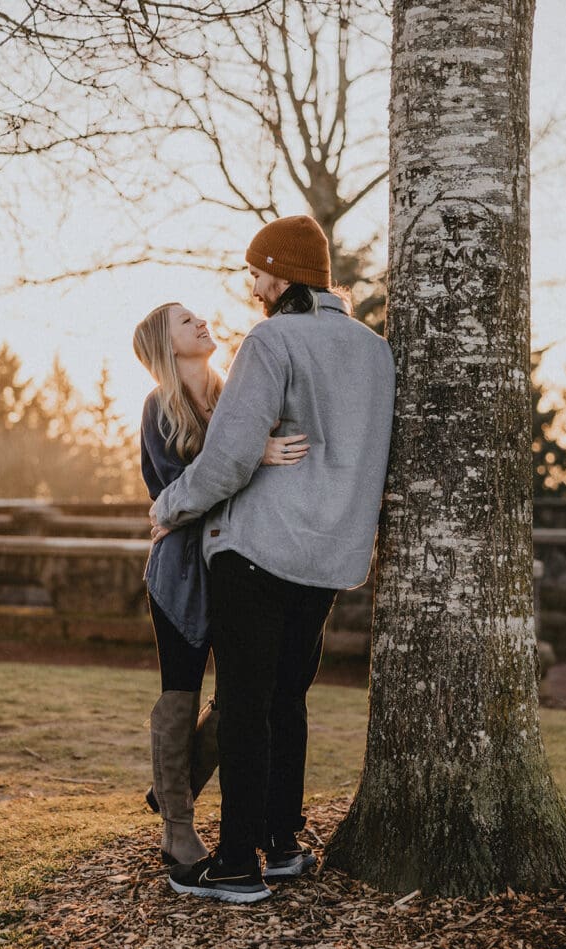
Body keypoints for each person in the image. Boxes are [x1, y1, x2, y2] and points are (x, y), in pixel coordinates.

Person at [150, 214, 396, 904]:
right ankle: (283, 844)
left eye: (255, 270)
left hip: (258, 550)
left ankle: (234, 864)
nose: (251, 282)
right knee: (288, 699)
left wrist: (168, 507)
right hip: (330, 556)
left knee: (245, 704)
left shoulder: (271, 339)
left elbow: (227, 456)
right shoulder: (374, 351)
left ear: (279, 275)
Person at [133, 302, 310, 867]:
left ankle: (171, 787)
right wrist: (251, 455)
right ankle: (178, 831)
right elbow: (174, 490)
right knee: (181, 690)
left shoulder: (238, 393)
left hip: (242, 566)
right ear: (164, 344)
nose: (200, 323)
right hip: (182, 572)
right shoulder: (158, 407)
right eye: (184, 322)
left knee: (239, 696)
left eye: (198, 316)